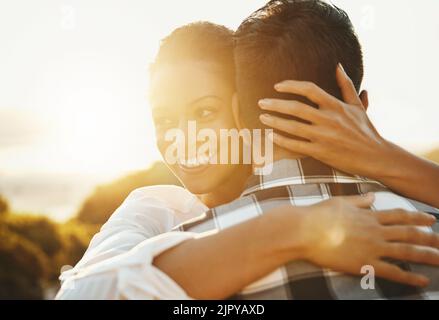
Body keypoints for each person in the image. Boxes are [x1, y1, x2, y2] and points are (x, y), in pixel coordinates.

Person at [56, 1, 439, 300]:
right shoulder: (159, 212)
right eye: (164, 119)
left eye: (206, 111)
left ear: (243, 107)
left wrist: (382, 154)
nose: (185, 137)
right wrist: (292, 228)